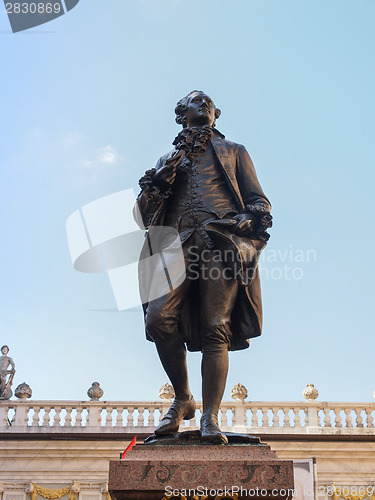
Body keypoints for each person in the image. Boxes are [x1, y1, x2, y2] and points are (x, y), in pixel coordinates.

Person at [134, 91, 272, 444]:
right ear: (182, 114)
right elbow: (143, 217)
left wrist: (247, 217)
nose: (206, 105)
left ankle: (210, 416)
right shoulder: (167, 160)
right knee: (158, 318)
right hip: (174, 244)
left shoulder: (234, 151)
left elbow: (259, 200)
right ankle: (183, 398)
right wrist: (159, 183)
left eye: (209, 103)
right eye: (197, 101)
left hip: (218, 242)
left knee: (216, 327)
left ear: (216, 115)